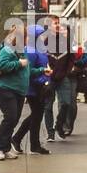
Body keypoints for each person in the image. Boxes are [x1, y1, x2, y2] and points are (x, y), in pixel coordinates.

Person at [0, 24, 43, 160]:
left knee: (13, 119)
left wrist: (42, 71)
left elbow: (27, 70)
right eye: (27, 37)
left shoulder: (21, 51)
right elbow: (2, 65)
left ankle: (5, 147)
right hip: (6, 89)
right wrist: (19, 64)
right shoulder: (8, 50)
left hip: (18, 91)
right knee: (10, 117)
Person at [11, 24, 52, 155]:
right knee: (37, 115)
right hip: (34, 88)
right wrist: (43, 77)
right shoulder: (30, 51)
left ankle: (20, 140)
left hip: (40, 86)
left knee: (37, 115)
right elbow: (28, 71)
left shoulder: (38, 49)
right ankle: (30, 143)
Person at [39, 16, 75, 142]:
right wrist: (44, 72)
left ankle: (59, 125)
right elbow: (40, 59)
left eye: (58, 23)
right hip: (48, 78)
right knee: (47, 106)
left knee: (66, 103)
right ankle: (50, 133)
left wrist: (66, 71)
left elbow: (71, 58)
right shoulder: (43, 41)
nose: (58, 25)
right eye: (55, 23)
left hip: (62, 77)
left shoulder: (66, 40)